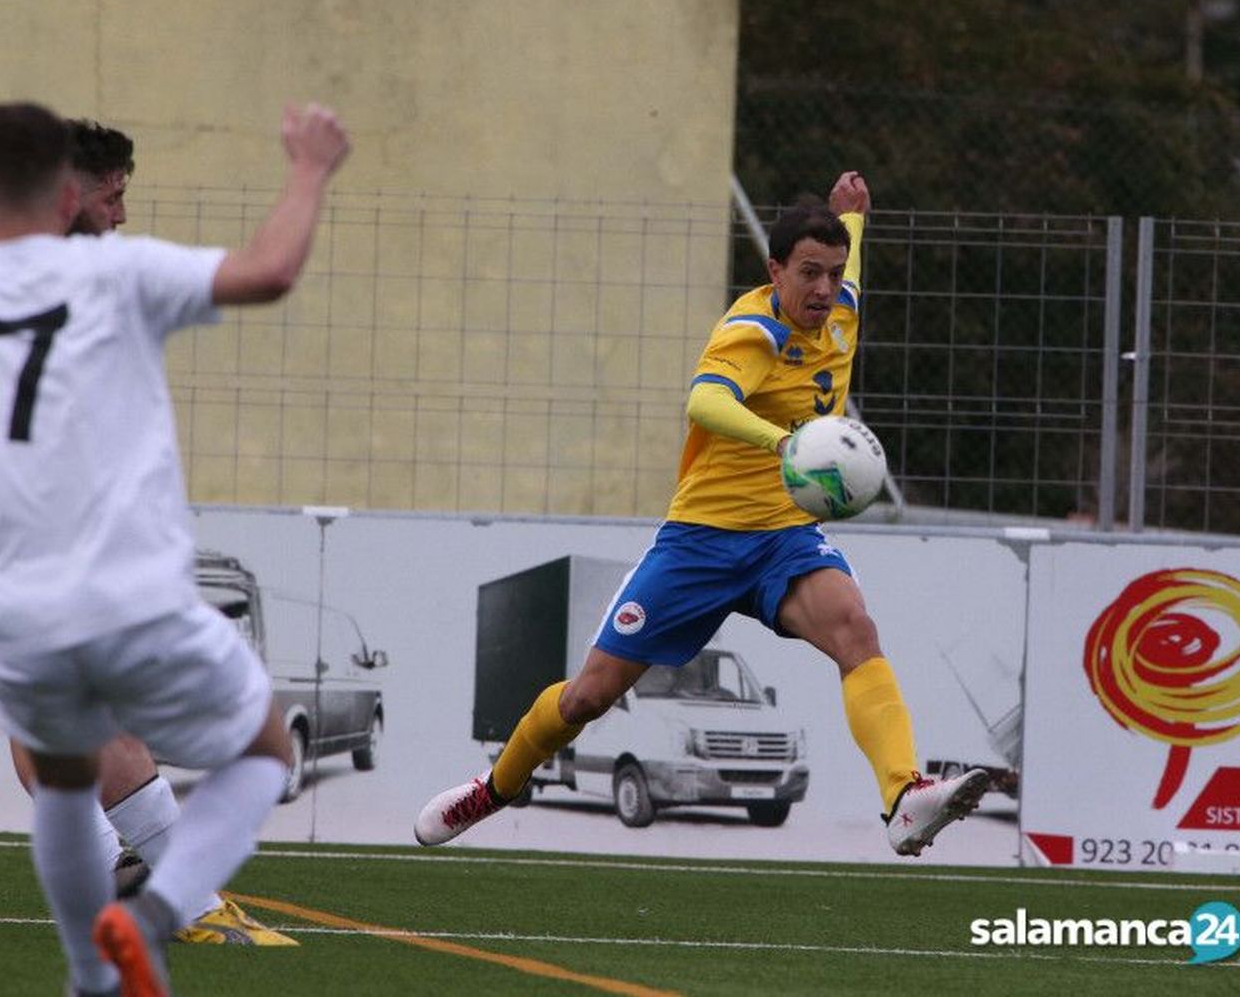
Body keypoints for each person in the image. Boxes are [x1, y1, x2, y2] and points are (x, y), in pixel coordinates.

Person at [415, 171, 991, 857]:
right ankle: (495, 788)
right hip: (700, 543)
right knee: (588, 698)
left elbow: (845, 265)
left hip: (785, 539)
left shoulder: (840, 308)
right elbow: (705, 401)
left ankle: (903, 796)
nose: (822, 288)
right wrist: (787, 444)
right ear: (773, 268)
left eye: (833, 273)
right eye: (807, 272)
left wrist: (852, 221)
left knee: (856, 630)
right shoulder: (750, 330)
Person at [0, 100, 349, 996]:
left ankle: (92, 969)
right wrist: (308, 168)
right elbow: (269, 271)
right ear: (72, 193)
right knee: (264, 746)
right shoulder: (117, 277)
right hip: (93, 566)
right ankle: (164, 910)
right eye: (109, 198)